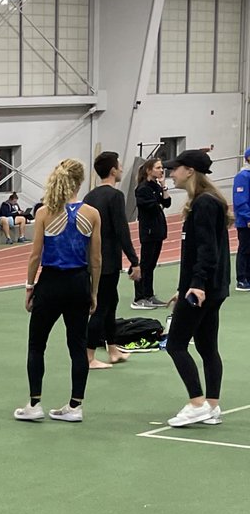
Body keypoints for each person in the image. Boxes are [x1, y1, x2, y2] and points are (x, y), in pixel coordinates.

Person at [13, 159, 101, 423]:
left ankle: (34, 403)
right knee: (77, 346)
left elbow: (34, 255)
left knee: (37, 344)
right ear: (81, 181)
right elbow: (96, 259)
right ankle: (75, 406)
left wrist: (30, 287)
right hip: (78, 284)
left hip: (50, 284)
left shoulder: (44, 212)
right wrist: (93, 292)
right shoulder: (92, 214)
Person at [161, 149, 232, 427]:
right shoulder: (206, 202)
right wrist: (186, 286)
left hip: (205, 289)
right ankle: (212, 406)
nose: (171, 173)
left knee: (176, 344)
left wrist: (197, 286)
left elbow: (207, 250)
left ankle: (196, 402)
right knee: (206, 346)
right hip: (210, 288)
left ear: (189, 171)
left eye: (175, 168)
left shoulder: (204, 204)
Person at [82, 152, 141, 369]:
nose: (122, 169)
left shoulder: (90, 196)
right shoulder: (115, 196)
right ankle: (88, 357)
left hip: (92, 259)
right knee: (101, 307)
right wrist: (134, 261)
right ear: (113, 170)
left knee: (111, 303)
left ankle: (113, 349)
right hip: (107, 262)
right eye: (119, 166)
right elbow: (121, 231)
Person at [132, 158, 171, 309]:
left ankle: (149, 294)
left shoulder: (156, 186)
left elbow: (166, 203)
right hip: (148, 231)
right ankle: (139, 297)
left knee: (151, 265)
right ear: (149, 170)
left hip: (158, 230)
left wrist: (164, 187)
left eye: (162, 168)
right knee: (146, 264)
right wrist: (159, 202)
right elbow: (153, 206)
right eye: (158, 168)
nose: (162, 170)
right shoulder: (142, 188)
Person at [234, 148, 249, 292]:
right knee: (245, 248)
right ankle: (242, 279)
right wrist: (248, 217)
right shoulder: (243, 176)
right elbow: (240, 200)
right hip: (245, 221)